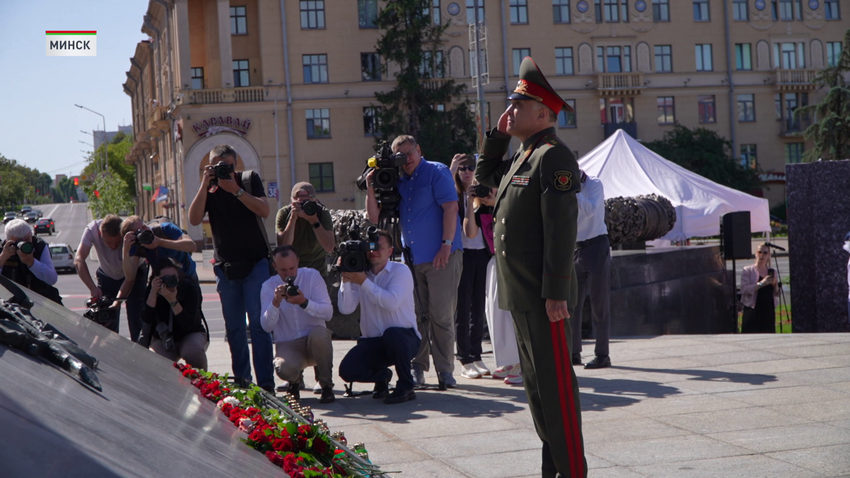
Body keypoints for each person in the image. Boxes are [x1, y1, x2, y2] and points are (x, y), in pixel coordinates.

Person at [475, 56, 587, 478]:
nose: (510, 112)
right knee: (538, 392)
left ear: (543, 113)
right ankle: (553, 470)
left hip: (544, 298)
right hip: (521, 294)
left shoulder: (553, 158)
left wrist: (557, 291)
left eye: (517, 106)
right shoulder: (524, 155)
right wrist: (496, 137)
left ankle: (573, 471)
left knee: (556, 392)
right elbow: (482, 181)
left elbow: (562, 228)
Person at [365, 135, 463, 390]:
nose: (406, 160)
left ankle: (445, 371)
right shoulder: (399, 181)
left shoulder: (436, 171)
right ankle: (418, 368)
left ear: (419, 150)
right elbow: (375, 217)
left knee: (440, 316)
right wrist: (371, 186)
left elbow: (451, 208)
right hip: (412, 259)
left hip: (442, 256)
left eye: (409, 154)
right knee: (416, 317)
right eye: (401, 156)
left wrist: (446, 244)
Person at [188, 143, 275, 392]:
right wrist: (205, 185)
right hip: (226, 269)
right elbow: (194, 219)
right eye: (218, 166)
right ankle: (244, 383)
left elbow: (264, 210)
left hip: (255, 264)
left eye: (228, 165)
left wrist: (236, 190)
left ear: (236, 165)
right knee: (234, 329)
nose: (224, 170)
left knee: (258, 326)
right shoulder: (210, 188)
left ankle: (266, 386)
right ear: (210, 166)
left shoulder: (248, 180)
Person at [337, 229, 421, 404]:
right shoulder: (360, 272)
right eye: (370, 247)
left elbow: (391, 303)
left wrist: (364, 282)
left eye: (379, 247)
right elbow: (346, 309)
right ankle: (383, 377)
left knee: (393, 334)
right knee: (347, 370)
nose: (373, 252)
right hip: (374, 341)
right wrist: (346, 279)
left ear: (390, 251)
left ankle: (406, 385)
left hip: (405, 340)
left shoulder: (401, 271)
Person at [465, 183, 524, 385]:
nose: (487, 192)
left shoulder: (509, 203)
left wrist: (497, 201)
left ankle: (519, 363)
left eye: (491, 188)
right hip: (493, 262)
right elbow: (470, 233)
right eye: (482, 188)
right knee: (494, 314)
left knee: (509, 314)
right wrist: (469, 202)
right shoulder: (479, 209)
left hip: (512, 262)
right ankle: (507, 360)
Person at [260, 245, 334, 403]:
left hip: (314, 342)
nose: (289, 274)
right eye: (283, 270)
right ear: (274, 267)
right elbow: (266, 326)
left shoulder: (312, 276)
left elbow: (328, 313)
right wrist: (275, 303)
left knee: (320, 334)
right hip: (289, 344)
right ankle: (294, 382)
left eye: (292, 268)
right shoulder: (268, 286)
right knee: (282, 367)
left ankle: (326, 385)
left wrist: (305, 303)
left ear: (298, 262)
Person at [449, 154, 492, 380]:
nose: (466, 171)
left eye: (470, 168)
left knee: (478, 306)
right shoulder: (453, 194)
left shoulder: (481, 192)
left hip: (481, 254)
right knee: (463, 306)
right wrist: (451, 169)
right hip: (461, 254)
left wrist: (482, 198)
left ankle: (476, 354)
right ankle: (464, 357)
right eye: (462, 168)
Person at [75, 214, 148, 340]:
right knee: (106, 320)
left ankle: (140, 351)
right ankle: (110, 353)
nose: (114, 246)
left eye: (118, 242)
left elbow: (130, 279)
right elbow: (78, 260)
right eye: (108, 242)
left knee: (136, 318)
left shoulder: (129, 232)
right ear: (100, 233)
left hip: (134, 273)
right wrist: (92, 288)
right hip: (107, 274)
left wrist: (117, 303)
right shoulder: (92, 230)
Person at [570, 171, 612, 369]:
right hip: (576, 248)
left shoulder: (594, 184)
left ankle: (602, 355)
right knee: (572, 305)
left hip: (596, 246)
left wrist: (574, 190)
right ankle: (573, 353)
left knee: (599, 304)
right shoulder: (564, 187)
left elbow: (590, 210)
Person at [143, 257, 208, 370]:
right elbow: (147, 319)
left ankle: (203, 382)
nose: (171, 282)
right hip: (164, 337)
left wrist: (172, 300)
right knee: (156, 361)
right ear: (157, 279)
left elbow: (188, 324)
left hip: (190, 334)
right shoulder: (153, 289)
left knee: (193, 351)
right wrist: (153, 293)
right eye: (166, 278)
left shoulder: (189, 287)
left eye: (174, 277)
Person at [275, 182, 335, 277]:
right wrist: (293, 218)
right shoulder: (284, 213)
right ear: (291, 201)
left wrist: (314, 220)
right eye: (299, 202)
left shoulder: (321, 213)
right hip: (292, 272)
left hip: (318, 271)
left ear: (314, 200)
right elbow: (283, 247)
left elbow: (329, 247)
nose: (303, 206)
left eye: (306, 202)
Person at [119, 216, 198, 283]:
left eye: (144, 227)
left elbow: (192, 246)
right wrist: (125, 251)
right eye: (139, 232)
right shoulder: (137, 244)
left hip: (187, 274)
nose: (145, 232)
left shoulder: (166, 228)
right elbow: (130, 277)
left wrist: (160, 242)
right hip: (162, 280)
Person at [0, 219, 62, 304]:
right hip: (12, 304)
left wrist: (32, 263)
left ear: (31, 234)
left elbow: (52, 279)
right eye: (18, 242)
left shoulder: (39, 245)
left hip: (41, 302)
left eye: (27, 239)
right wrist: (3, 258)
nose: (23, 244)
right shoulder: (3, 249)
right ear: (8, 241)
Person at [740, 243, 779, 333]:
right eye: (759, 252)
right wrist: (761, 284)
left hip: (768, 310)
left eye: (765, 253)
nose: (762, 255)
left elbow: (776, 293)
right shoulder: (748, 270)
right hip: (753, 309)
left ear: (769, 255)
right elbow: (744, 290)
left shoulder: (772, 271)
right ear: (755, 254)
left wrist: (774, 285)